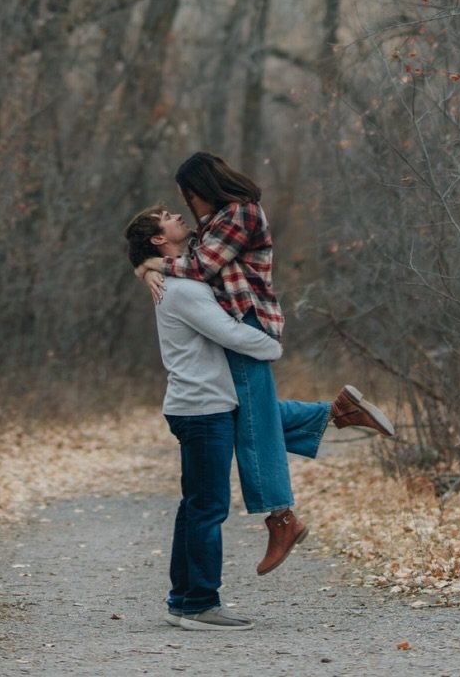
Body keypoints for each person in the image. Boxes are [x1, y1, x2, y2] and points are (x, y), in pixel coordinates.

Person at [135, 151, 394, 576]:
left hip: (247, 320)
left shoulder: (242, 213)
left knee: (251, 420)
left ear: (201, 188)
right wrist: (144, 268)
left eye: (187, 197)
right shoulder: (216, 222)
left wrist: (149, 264)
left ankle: (282, 518)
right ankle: (336, 413)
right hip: (237, 320)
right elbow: (176, 256)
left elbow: (200, 266)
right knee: (246, 415)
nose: (185, 208)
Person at [124, 203, 333, 631]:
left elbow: (206, 261)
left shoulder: (180, 276)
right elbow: (228, 333)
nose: (177, 215)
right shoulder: (183, 290)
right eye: (166, 216)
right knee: (207, 508)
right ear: (158, 239)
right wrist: (272, 347)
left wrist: (143, 267)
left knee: (196, 507)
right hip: (203, 409)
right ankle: (199, 604)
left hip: (199, 405)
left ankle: (183, 600)